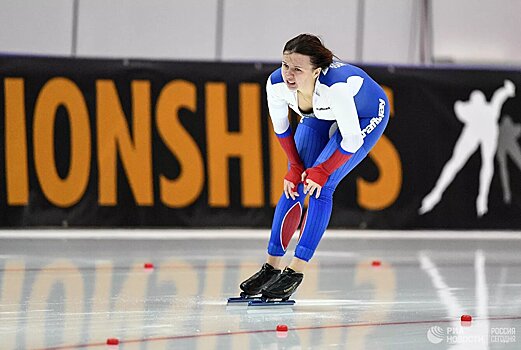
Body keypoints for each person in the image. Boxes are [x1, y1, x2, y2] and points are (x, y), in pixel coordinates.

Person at [239, 33, 390, 301]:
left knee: (322, 186)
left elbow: (352, 139)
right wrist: (294, 166)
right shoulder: (275, 84)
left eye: (298, 69)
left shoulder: (336, 88)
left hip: (366, 113)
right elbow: (281, 128)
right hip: (319, 113)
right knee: (293, 184)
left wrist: (322, 171)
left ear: (316, 71)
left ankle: (296, 270)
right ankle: (271, 267)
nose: (289, 74)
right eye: (286, 65)